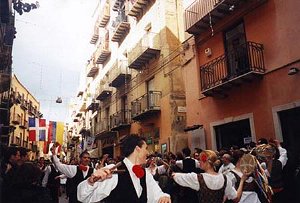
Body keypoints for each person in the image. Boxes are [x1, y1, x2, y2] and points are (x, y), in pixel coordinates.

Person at [77, 134, 171, 203]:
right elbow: (83, 197)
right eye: (145, 148)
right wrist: (91, 181)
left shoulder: (144, 173)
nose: (148, 152)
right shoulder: (113, 171)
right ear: (137, 149)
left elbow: (156, 193)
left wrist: (164, 197)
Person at [172, 150, 247, 203]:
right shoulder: (225, 178)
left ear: (205, 162)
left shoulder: (198, 178)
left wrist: (173, 174)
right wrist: (242, 181)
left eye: (200, 160)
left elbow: (178, 177)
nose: (199, 162)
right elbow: (236, 198)